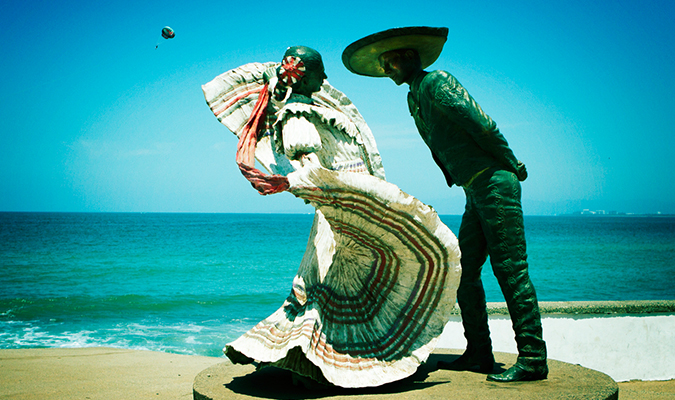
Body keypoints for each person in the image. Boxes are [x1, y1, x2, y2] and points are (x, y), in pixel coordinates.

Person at [202, 45, 462, 388]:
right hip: (338, 211)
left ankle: (310, 366)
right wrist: (320, 189)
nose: (325, 78)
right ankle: (319, 367)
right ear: (303, 75)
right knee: (329, 286)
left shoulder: (313, 108)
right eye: (319, 72)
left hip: (346, 205)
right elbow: (307, 162)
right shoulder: (296, 113)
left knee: (328, 287)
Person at [342, 27, 548, 382]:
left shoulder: (437, 82)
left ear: (409, 58)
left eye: (390, 60)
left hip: (494, 180)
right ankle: (480, 353)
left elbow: (481, 124)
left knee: (511, 270)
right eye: (382, 63)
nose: (386, 68)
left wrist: (512, 163)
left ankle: (532, 357)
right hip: (474, 188)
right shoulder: (413, 97)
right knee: (464, 273)